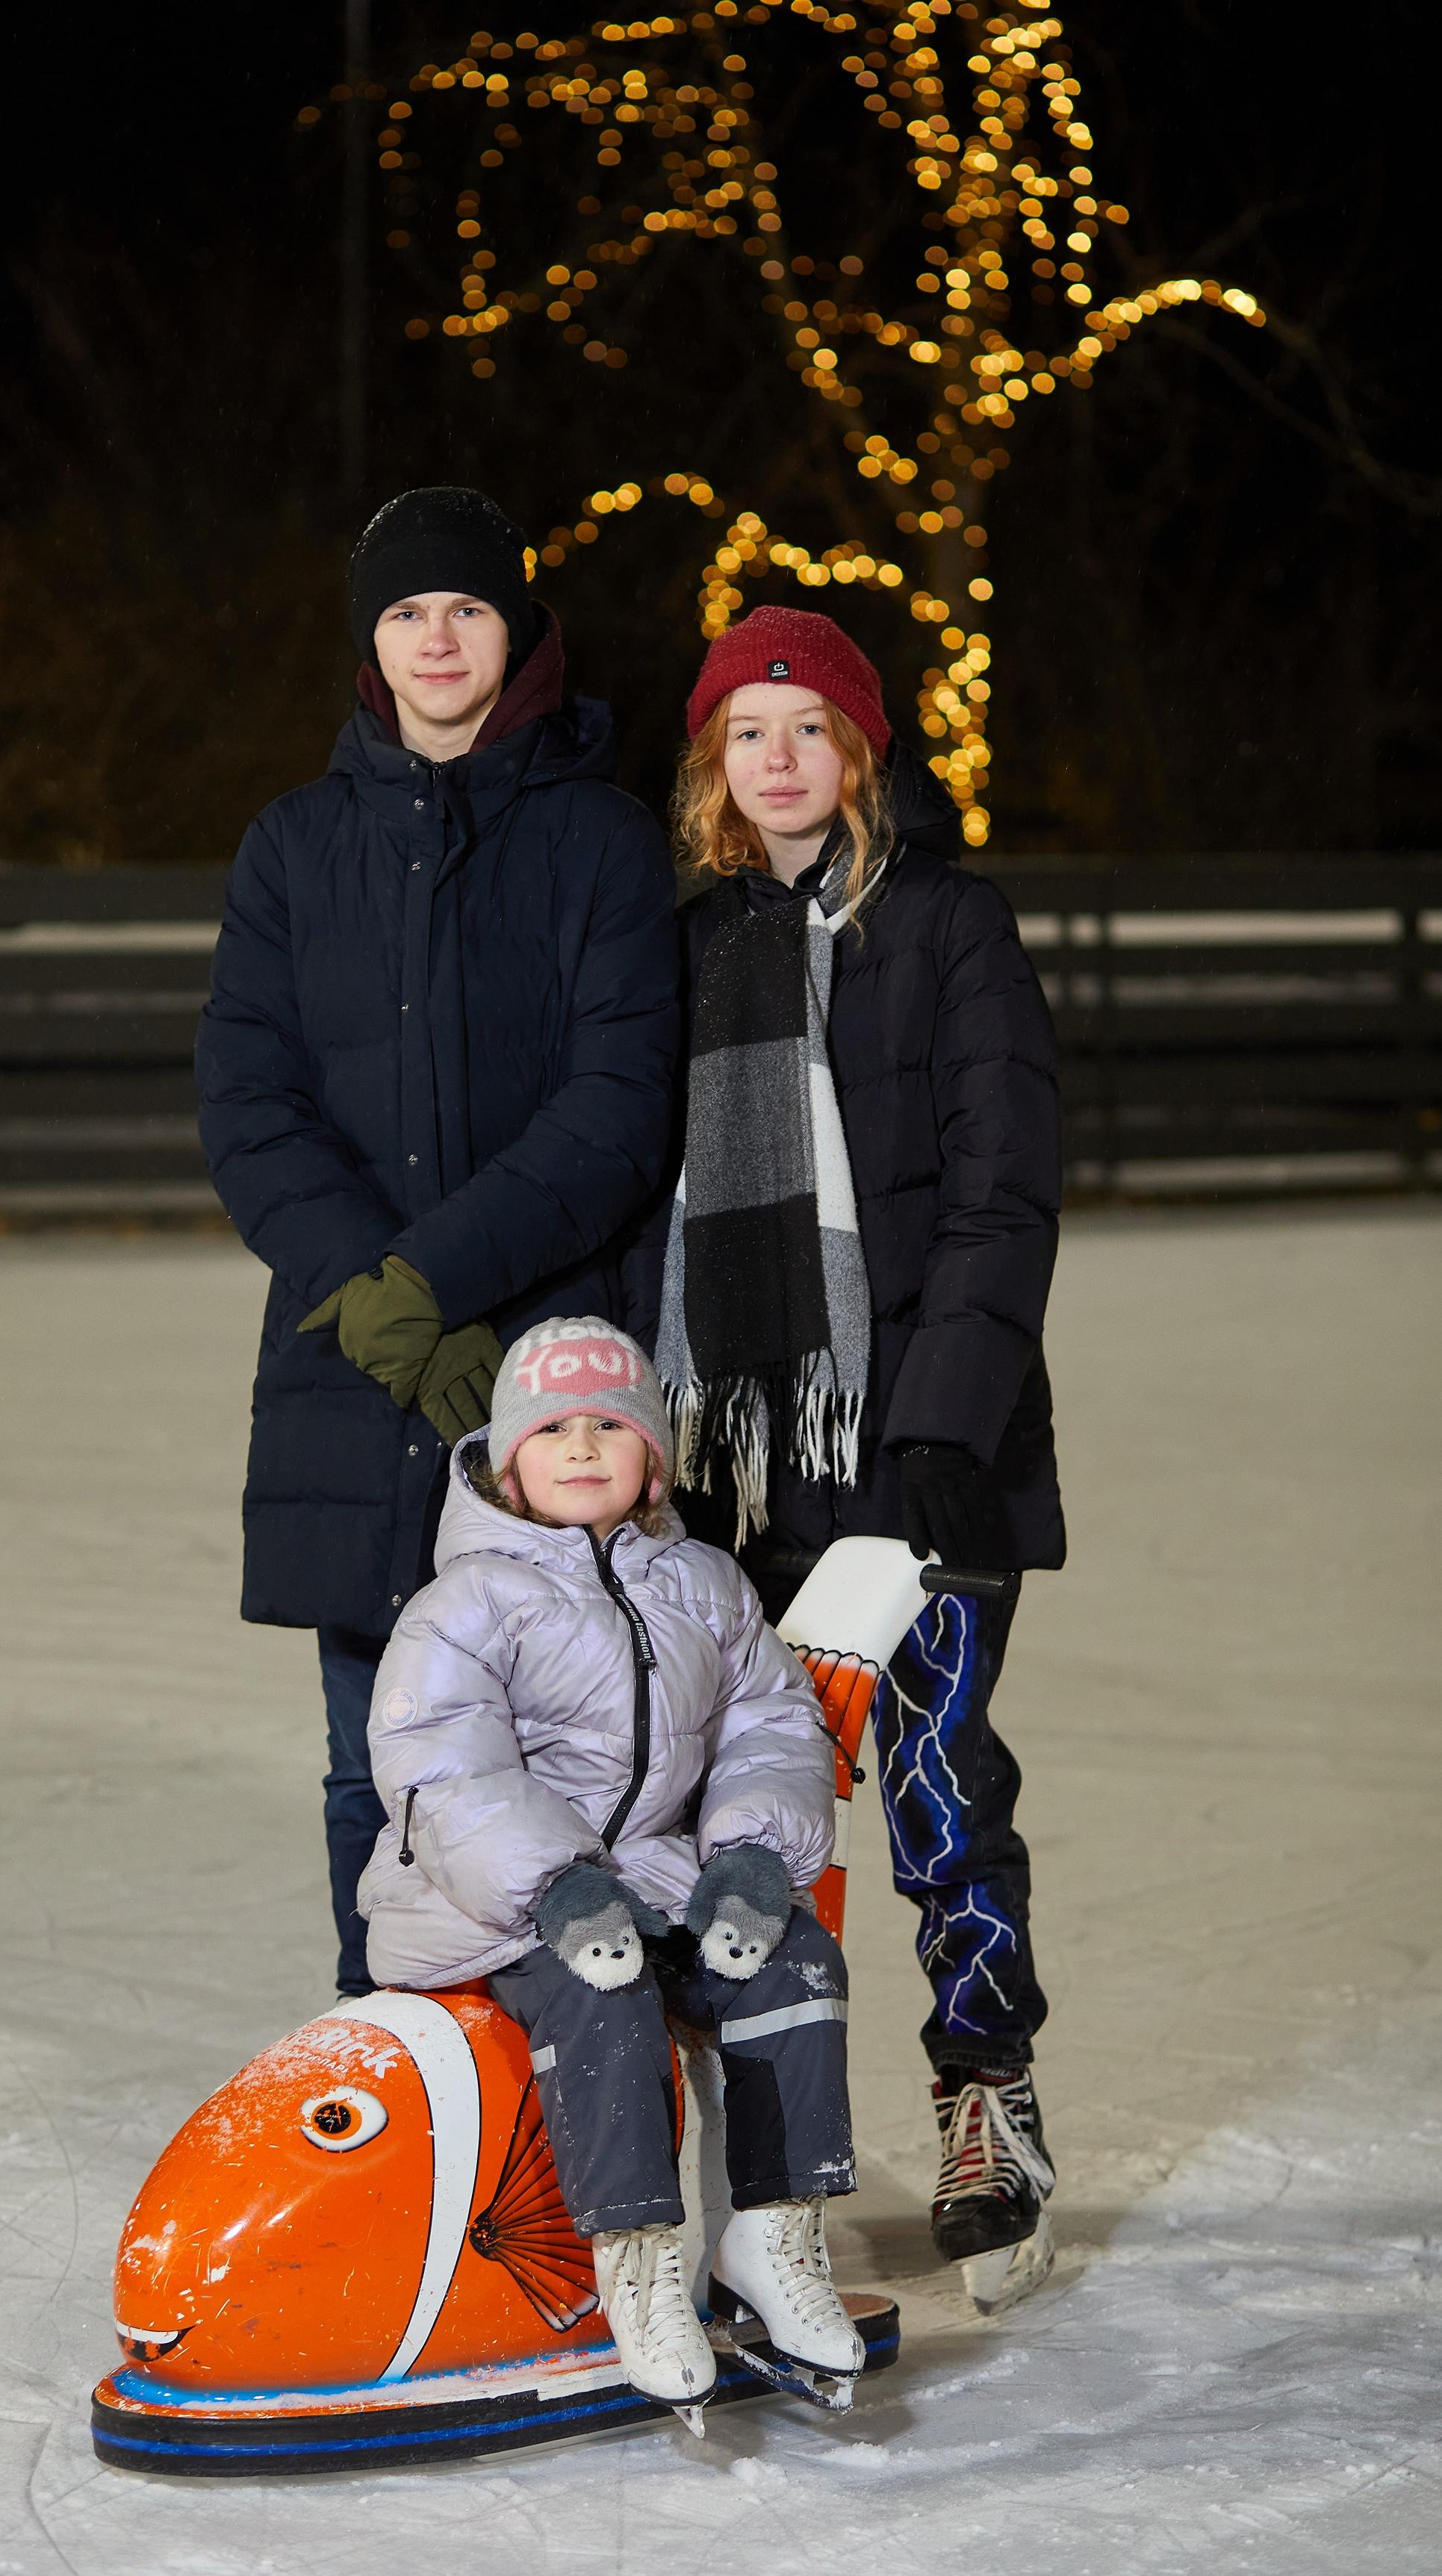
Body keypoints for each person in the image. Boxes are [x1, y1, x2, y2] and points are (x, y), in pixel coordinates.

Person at [638, 601, 1065, 2309]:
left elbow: (1003, 1184)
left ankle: (987, 2100)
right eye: (746, 731)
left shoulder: (949, 924)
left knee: (941, 1790)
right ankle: (773, 2167)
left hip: (928, 1454)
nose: (778, 757)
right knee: (753, 1823)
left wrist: (943, 1419)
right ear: (712, 765)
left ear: (860, 751)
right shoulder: (692, 945)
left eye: (807, 726)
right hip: (750, 1466)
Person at [196, 487, 678, 1999]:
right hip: (355, 1380)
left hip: (549, 1376)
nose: (437, 639)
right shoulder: (292, 849)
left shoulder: (601, 840)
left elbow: (617, 1108)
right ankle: (401, 2082)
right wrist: (378, 1301)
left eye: (466, 608)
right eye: (406, 613)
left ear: (517, 629)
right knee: (377, 1771)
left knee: (573, 1778)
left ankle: (576, 2099)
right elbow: (249, 1104)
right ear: (372, 642)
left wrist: (432, 1283)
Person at [358, 1316, 863, 2411]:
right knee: (609, 1988)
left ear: (653, 1459)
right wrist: (556, 1885)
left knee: (794, 1963)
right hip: (487, 1901)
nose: (582, 1447)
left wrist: (751, 1857)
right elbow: (441, 1768)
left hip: (658, 1878)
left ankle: (773, 2235)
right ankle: (637, 2261)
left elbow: (771, 1726)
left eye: (610, 1426)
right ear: (509, 1460)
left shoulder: (708, 1585)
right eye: (552, 1429)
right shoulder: (466, 1602)